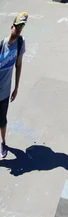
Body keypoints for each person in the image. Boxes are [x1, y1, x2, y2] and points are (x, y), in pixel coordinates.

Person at [0, 12, 27, 159]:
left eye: (21, 27)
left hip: (4, 92)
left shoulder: (21, 43)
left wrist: (16, 88)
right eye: (17, 27)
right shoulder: (1, 45)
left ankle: (3, 143)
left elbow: (19, 65)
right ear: (11, 27)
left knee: (2, 120)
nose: (19, 30)